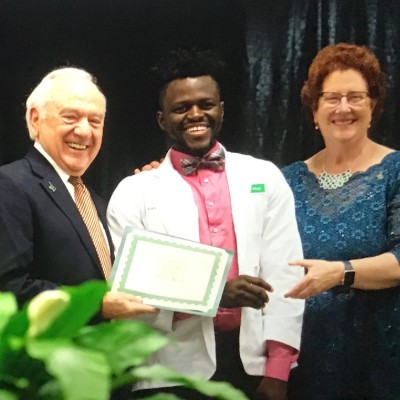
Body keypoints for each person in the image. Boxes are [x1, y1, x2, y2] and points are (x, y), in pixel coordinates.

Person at [107, 49, 304, 400]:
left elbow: (285, 276)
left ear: (221, 110)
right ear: (162, 120)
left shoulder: (264, 176)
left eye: (206, 104)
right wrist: (214, 294)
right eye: (181, 108)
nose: (196, 114)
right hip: (168, 371)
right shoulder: (133, 192)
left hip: (254, 367)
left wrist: (278, 371)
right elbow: (132, 292)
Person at [283, 43, 400, 400]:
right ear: (314, 110)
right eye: (332, 98)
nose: (344, 108)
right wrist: (163, 180)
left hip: (378, 355)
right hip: (302, 356)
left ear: (373, 106)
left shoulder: (395, 171)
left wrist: (340, 273)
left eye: (356, 97)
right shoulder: (286, 180)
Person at [0, 67, 156, 320]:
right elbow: (8, 290)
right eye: (70, 117)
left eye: (95, 121)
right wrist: (95, 305)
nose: (84, 131)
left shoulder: (94, 201)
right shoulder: (10, 185)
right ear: (35, 119)